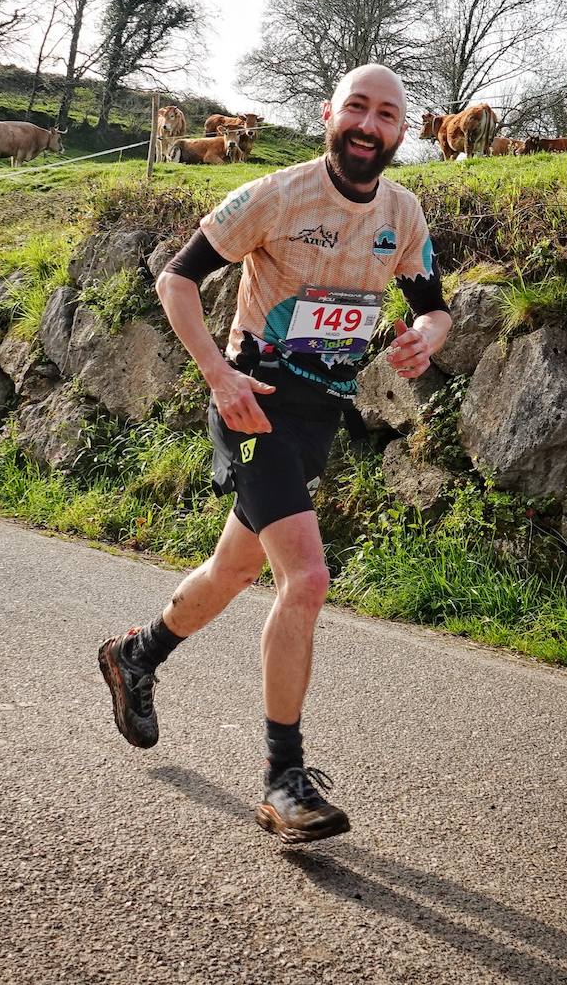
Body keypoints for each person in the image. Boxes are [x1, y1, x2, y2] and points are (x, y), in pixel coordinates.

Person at [98, 63, 452, 843]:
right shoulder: (276, 194)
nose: (368, 124)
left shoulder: (403, 211)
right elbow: (177, 280)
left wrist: (424, 339)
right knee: (308, 576)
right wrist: (218, 375)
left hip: (317, 415)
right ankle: (282, 780)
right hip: (252, 406)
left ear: (403, 131)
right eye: (356, 107)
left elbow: (433, 310)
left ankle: (136, 654)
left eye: (386, 114)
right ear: (329, 114)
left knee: (234, 569)